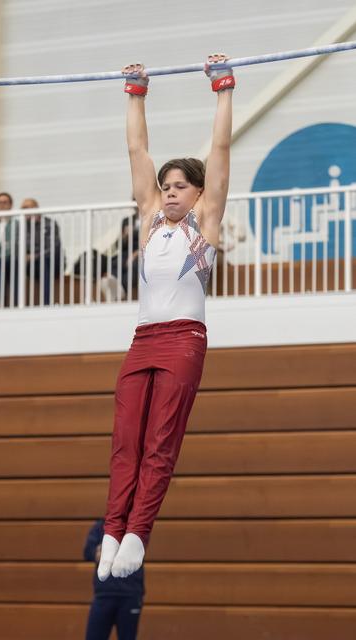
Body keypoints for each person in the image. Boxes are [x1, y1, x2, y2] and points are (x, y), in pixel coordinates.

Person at [98, 54, 234, 581]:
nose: (172, 191)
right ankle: (113, 529)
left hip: (183, 341)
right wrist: (136, 93)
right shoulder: (150, 218)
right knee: (126, 442)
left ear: (199, 193)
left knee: (159, 441)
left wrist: (222, 90)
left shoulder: (207, 222)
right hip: (142, 340)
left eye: (181, 186)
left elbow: (220, 149)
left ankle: (138, 533)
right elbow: (137, 148)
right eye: (167, 185)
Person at [84, 519, 144, 640]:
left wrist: (106, 552)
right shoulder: (101, 526)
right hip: (104, 595)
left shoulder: (136, 526)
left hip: (130, 595)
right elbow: (88, 552)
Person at [20, 198, 64, 305]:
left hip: (52, 262)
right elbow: (18, 246)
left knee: (44, 261)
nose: (23, 211)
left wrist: (35, 256)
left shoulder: (49, 224)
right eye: (22, 208)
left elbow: (53, 246)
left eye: (26, 208)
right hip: (31, 264)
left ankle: (46, 303)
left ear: (35, 208)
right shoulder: (21, 226)